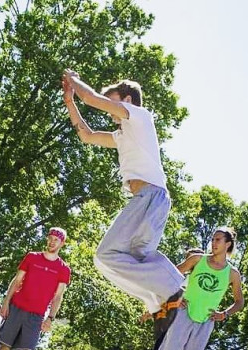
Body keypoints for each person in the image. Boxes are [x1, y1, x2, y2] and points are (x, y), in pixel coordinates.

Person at [62, 70, 184, 340]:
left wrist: (73, 80)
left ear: (127, 100)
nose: (110, 111)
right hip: (151, 202)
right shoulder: (122, 135)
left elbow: (92, 98)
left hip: (150, 197)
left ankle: (174, 286)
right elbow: (88, 135)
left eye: (113, 102)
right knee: (131, 261)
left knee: (105, 255)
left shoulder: (140, 117)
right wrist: (70, 103)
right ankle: (160, 305)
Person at [159, 228, 244, 350]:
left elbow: (240, 302)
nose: (213, 243)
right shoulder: (197, 259)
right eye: (212, 239)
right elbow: (170, 275)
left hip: (207, 320)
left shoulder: (232, 273)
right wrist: (175, 296)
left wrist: (224, 314)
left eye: (218, 240)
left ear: (228, 244)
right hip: (184, 312)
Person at [0, 227, 71, 350]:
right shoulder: (32, 257)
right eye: (50, 238)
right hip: (16, 308)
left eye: (56, 240)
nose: (52, 242)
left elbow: (58, 297)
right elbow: (17, 280)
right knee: (5, 346)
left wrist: (50, 318)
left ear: (62, 243)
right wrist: (6, 302)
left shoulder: (64, 269)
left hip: (36, 316)